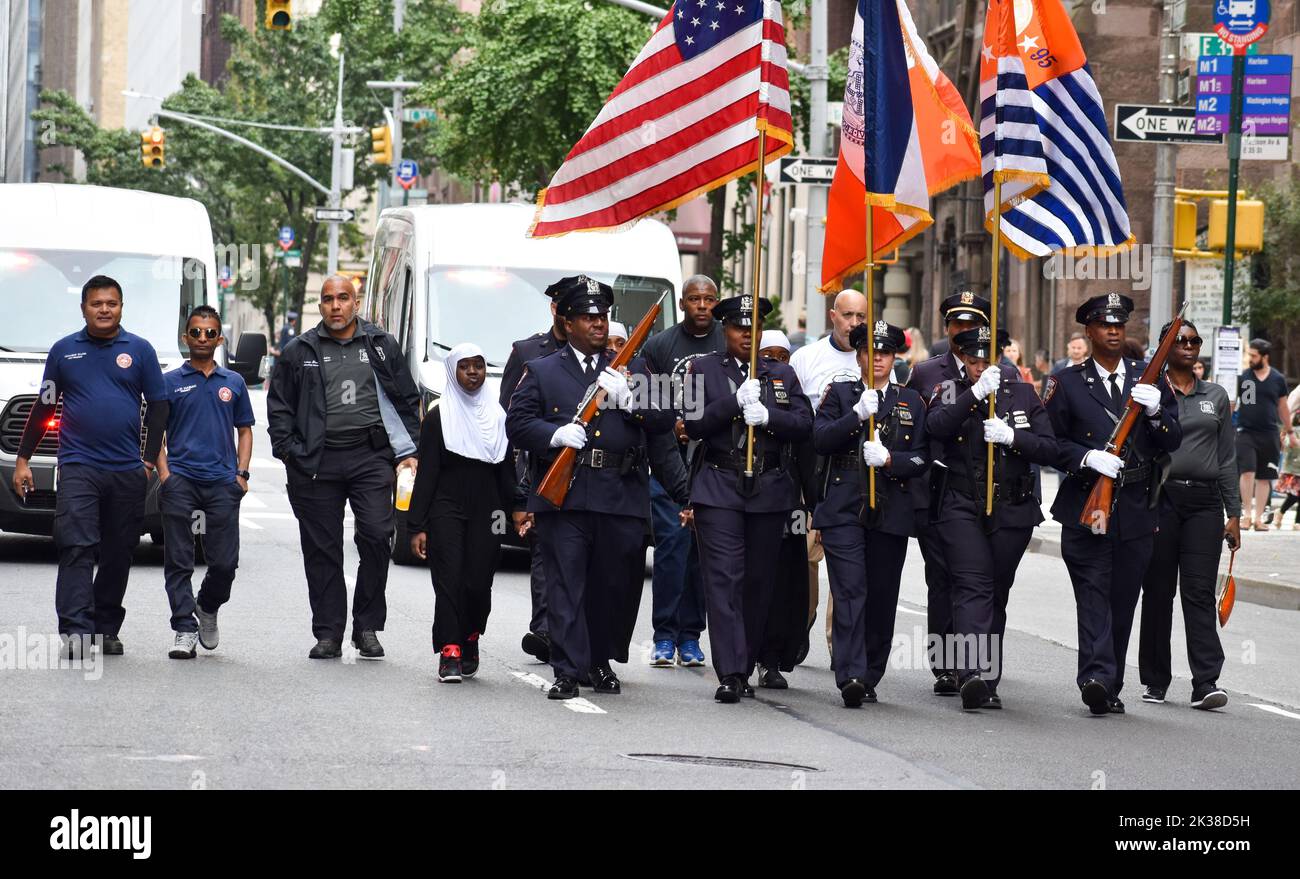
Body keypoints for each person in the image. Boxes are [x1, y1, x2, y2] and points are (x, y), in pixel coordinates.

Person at [506, 275, 674, 699]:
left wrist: (632, 401)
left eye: (603, 317)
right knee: (566, 584)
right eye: (588, 317)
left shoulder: (632, 369)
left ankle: (598, 661)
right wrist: (555, 435)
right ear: (567, 321)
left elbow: (664, 419)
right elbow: (518, 424)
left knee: (611, 585)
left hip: (620, 493)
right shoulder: (542, 370)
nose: (599, 324)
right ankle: (566, 668)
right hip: (568, 495)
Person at [12, 275, 169, 657]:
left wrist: (148, 460)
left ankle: (105, 627)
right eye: (96, 303)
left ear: (121, 307)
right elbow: (45, 405)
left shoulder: (141, 350)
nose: (104, 309)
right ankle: (77, 631)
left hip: (127, 471)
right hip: (79, 466)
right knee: (76, 547)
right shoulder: (64, 351)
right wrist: (23, 459)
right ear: (83, 308)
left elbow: (160, 407)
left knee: (119, 552)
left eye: (111, 303)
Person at [267, 275, 422, 660]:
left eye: (343, 298)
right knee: (322, 548)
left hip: (370, 457)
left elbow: (407, 399)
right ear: (320, 306)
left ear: (356, 303)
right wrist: (289, 452)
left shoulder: (381, 345)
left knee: (376, 534)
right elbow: (279, 407)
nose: (335, 306)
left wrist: (410, 450)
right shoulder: (298, 350)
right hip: (316, 461)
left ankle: (366, 626)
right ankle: (328, 633)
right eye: (327, 299)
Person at [1043, 293, 1181, 715]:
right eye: (1106, 325)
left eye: (1121, 324)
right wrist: (1085, 459)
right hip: (1087, 502)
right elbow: (1049, 443)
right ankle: (1096, 678)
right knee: (1093, 593)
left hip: (1136, 506)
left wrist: (1157, 414)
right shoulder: (1066, 382)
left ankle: (1111, 682)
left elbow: (1173, 438)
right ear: (1089, 331)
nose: (1115, 331)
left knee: (1122, 599)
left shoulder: (1149, 378)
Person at [684, 295, 812, 703]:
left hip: (769, 488)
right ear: (725, 330)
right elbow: (693, 423)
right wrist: (733, 403)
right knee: (724, 580)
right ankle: (731, 671)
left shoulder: (781, 375)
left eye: (753, 328)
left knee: (758, 582)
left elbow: (804, 425)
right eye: (739, 328)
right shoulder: (702, 369)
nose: (746, 335)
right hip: (719, 483)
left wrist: (769, 417)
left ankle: (750, 654)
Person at [925, 326, 1057, 710]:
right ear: (963, 360)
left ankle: (989, 678)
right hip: (961, 504)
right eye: (973, 361)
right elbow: (935, 427)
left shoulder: (1022, 393)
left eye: (988, 360)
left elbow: (1048, 449)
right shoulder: (951, 390)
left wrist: (1013, 437)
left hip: (1011, 507)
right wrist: (975, 395)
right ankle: (971, 674)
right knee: (972, 584)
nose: (980, 367)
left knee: (997, 590)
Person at [905, 289, 1019, 696]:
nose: (964, 331)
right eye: (958, 324)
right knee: (943, 579)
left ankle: (976, 663)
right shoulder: (926, 373)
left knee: (981, 581)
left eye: (972, 325)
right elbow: (916, 432)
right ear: (947, 328)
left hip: (987, 491)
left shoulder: (1004, 372)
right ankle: (945, 664)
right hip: (939, 490)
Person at [814, 321, 928, 707]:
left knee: (881, 594)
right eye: (868, 351)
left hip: (891, 507)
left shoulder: (910, 400)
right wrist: (856, 417)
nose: (876, 358)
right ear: (858, 354)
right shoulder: (842, 393)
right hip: (844, 502)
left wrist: (892, 458)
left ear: (894, 357)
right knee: (849, 589)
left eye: (883, 353)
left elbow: (922, 458)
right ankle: (849, 673)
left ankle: (871, 671)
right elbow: (820, 438)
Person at [1138, 321, 1237, 711]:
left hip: (1205, 505)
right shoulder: (1150, 394)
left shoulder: (1216, 395)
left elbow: (1227, 458)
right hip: (1160, 499)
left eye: (1195, 341)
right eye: (1181, 340)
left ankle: (1206, 681)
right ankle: (1156, 680)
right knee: (1159, 593)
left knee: (1198, 592)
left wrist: (1235, 514)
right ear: (1164, 346)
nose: (1189, 346)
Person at [408, 344, 516, 683]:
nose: (473, 373)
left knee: (478, 582)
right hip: (446, 507)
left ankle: (471, 635)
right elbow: (426, 474)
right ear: (452, 373)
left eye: (479, 367)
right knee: (449, 578)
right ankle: (450, 650)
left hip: (490, 510)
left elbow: (506, 472)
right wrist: (417, 525)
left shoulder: (498, 417)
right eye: (465, 367)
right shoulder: (439, 417)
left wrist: (517, 511)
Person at [156, 306, 254, 659]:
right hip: (181, 480)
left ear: (219, 338)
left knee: (225, 563)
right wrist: (165, 475)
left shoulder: (234, 383)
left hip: (221, 483)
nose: (202, 338)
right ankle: (184, 627)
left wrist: (241, 475)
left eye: (209, 333)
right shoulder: (169, 382)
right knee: (179, 560)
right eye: (195, 332)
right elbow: (156, 433)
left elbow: (245, 430)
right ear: (186, 337)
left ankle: (207, 606)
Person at [639, 274, 725, 668]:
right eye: (694, 299)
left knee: (702, 555)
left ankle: (692, 636)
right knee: (672, 549)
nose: (702, 306)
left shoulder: (728, 340)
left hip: (713, 464)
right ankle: (664, 636)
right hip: (668, 463)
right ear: (683, 304)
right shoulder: (659, 345)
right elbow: (644, 401)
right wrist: (669, 421)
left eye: (709, 299)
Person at [500, 280, 572, 665]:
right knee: (544, 553)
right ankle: (544, 630)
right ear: (555, 310)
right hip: (541, 468)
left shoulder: (601, 353)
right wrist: (517, 488)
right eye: (565, 307)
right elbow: (509, 419)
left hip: (589, 471)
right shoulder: (528, 352)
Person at [754, 329, 817, 686]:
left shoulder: (794, 397)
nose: (776, 362)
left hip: (790, 505)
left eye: (782, 356)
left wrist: (815, 508)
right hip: (749, 501)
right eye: (769, 355)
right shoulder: (744, 391)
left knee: (786, 581)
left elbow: (808, 455)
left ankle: (774, 658)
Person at [1236, 339, 1290, 531]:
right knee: (1247, 471)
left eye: (1253, 355)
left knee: (1265, 476)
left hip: (1269, 433)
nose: (1250, 359)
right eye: (1249, 355)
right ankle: (1247, 515)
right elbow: (1233, 403)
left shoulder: (1277, 379)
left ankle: (1259, 519)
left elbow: (1283, 407)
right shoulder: (1243, 377)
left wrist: (1289, 431)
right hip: (1246, 432)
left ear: (1264, 357)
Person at [790, 289, 868, 410]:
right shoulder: (803, 358)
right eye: (847, 314)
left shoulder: (878, 360)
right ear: (833, 316)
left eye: (861, 316)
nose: (854, 323)